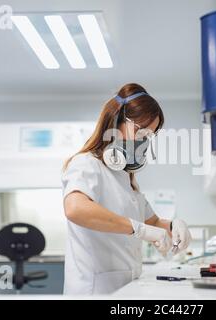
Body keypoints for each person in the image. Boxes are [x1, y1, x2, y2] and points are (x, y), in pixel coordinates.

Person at [61, 83, 192, 295]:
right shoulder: (86, 163)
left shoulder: (127, 178)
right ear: (114, 123)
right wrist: (138, 229)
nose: (143, 141)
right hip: (93, 290)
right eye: (140, 131)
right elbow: (76, 209)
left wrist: (176, 225)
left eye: (149, 135)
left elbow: (153, 223)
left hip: (125, 289)